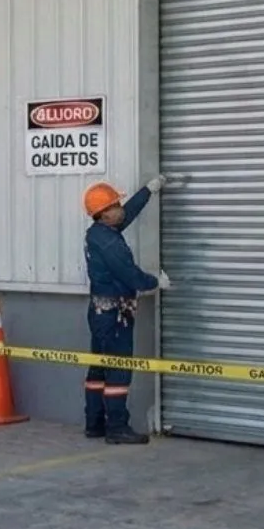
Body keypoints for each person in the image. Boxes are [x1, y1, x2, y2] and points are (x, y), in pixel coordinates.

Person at [81, 175, 174, 445]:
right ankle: (117, 428)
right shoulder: (110, 243)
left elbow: (128, 214)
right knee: (119, 370)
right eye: (115, 204)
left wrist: (147, 191)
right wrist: (156, 282)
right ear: (104, 213)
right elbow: (131, 276)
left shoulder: (99, 233)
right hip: (115, 315)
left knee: (98, 368)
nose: (121, 207)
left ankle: (94, 423)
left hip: (99, 311)